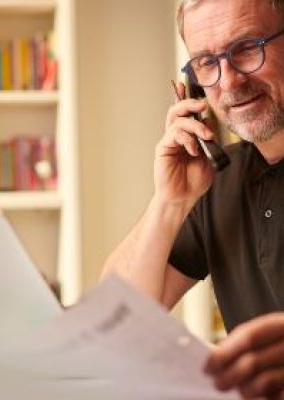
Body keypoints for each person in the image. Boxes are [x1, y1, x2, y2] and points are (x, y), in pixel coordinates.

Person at [102, 0, 284, 398]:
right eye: (206, 62)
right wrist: (170, 202)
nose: (230, 81)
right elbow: (113, 325)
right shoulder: (219, 179)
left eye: (248, 47)